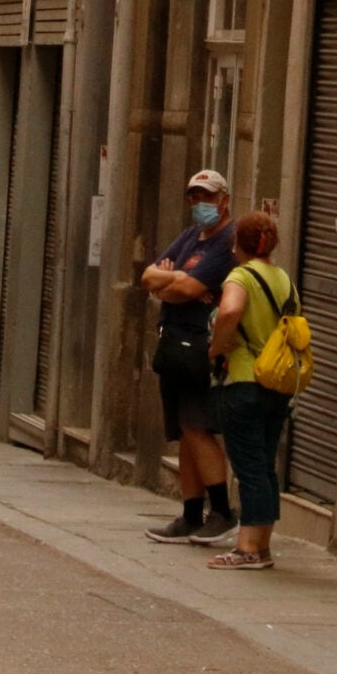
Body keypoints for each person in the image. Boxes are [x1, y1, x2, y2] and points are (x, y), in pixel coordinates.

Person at [137, 169, 237, 546]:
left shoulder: (226, 243)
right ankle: (191, 514)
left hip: (200, 345)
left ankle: (223, 511)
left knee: (198, 426)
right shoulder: (191, 237)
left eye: (207, 197)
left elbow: (191, 287)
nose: (200, 205)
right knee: (183, 430)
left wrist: (170, 282)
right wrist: (170, 284)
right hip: (174, 343)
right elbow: (148, 275)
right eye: (194, 198)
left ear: (224, 200)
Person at [204, 210, 295, 572]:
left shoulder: (240, 276)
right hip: (277, 382)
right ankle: (262, 545)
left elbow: (229, 312)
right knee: (266, 465)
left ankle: (247, 550)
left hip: (243, 380)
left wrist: (217, 347)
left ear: (235, 244)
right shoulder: (283, 278)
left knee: (248, 467)